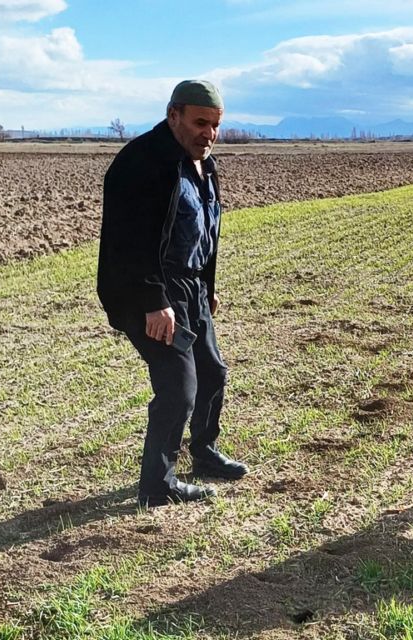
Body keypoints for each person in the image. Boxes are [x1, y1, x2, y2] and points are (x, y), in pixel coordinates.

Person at [97, 80, 248, 507]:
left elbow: (207, 231)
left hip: (191, 287)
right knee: (179, 388)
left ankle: (202, 453)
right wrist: (153, 301)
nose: (209, 134)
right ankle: (157, 486)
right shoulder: (142, 163)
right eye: (201, 123)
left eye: (216, 125)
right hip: (150, 290)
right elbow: (128, 242)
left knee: (213, 373)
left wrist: (208, 288)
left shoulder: (203, 163)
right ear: (173, 115)